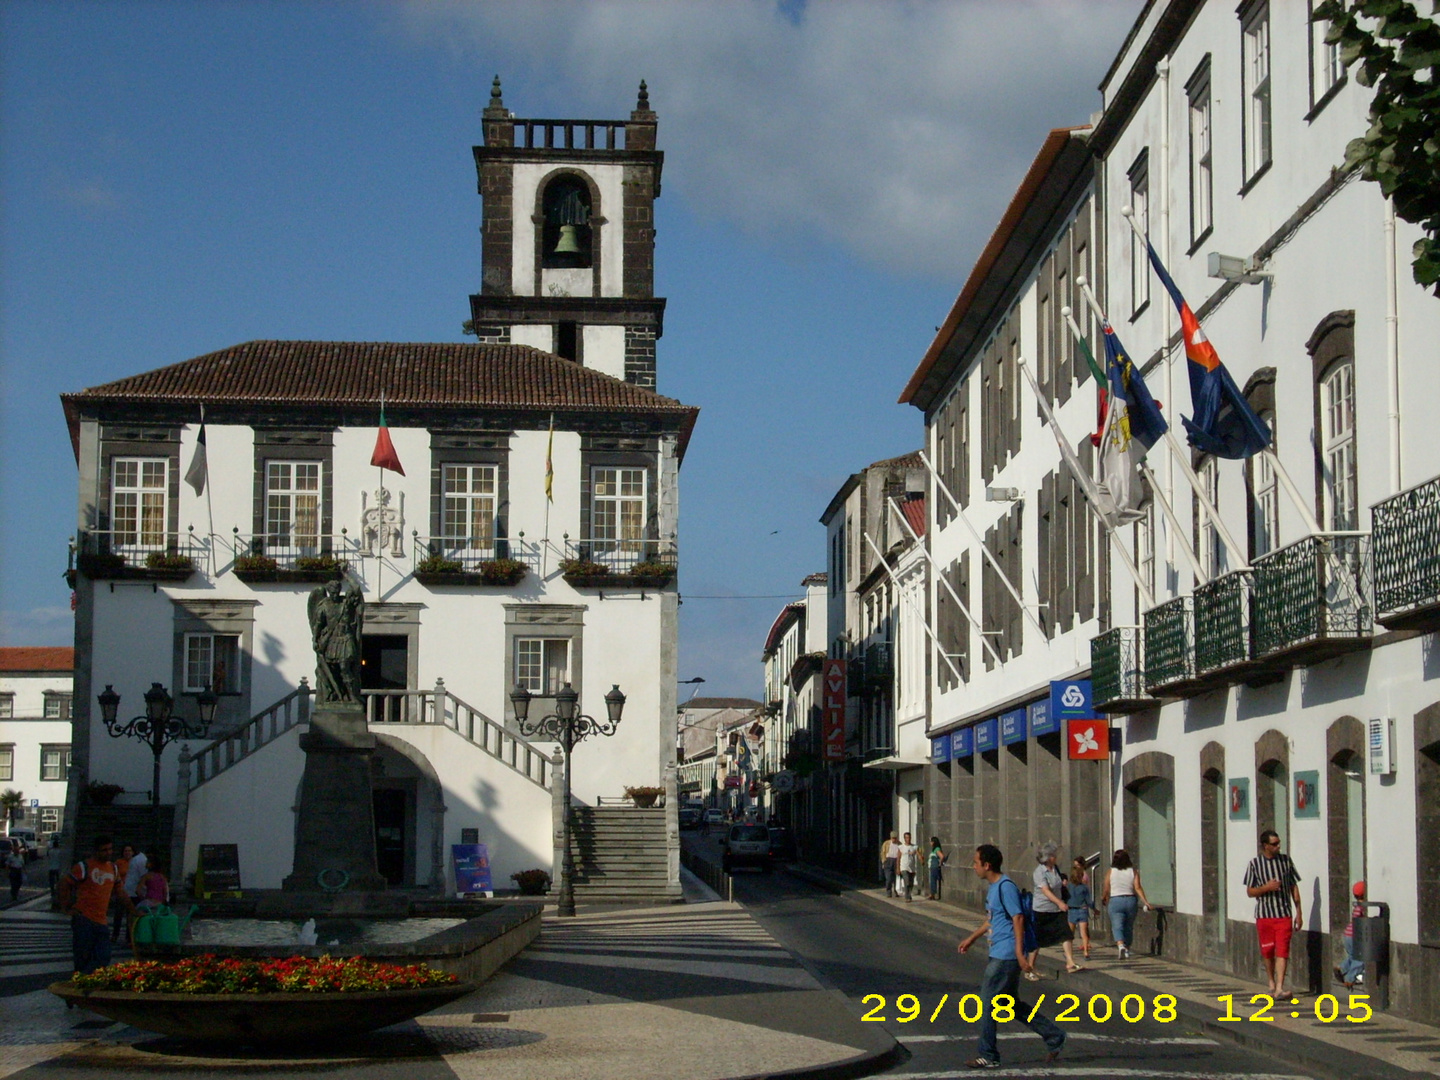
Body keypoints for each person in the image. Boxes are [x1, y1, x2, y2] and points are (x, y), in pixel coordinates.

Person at [958, 844, 1066, 1069]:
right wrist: (972, 938)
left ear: (987, 865)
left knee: (987, 1002)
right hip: (999, 950)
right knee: (1010, 1005)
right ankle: (1053, 1036)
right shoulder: (995, 887)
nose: (974, 866)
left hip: (1006, 954)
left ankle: (988, 1055)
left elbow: (1018, 918)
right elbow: (993, 919)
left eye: (976, 862)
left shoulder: (1006, 887)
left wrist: (1019, 953)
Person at [58, 835, 136, 975]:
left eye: (110, 849)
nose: (108, 853)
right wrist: (66, 907)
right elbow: (65, 883)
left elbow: (120, 892)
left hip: (101, 920)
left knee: (103, 956)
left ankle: (85, 979)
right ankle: (81, 982)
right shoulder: (84, 867)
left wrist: (132, 910)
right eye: (104, 850)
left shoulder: (113, 868)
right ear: (96, 851)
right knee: (82, 957)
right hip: (84, 918)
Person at [1243, 829, 1302, 996]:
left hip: (1284, 914)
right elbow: (1250, 891)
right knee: (1268, 951)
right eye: (1274, 844)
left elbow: (1293, 886)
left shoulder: (1285, 861)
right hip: (1264, 915)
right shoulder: (1254, 864)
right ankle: (1271, 981)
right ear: (1265, 846)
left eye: (1279, 843)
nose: (1278, 846)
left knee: (1282, 950)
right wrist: (1266, 888)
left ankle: (1280, 987)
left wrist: (1299, 912)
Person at [1028, 842, 1076, 978]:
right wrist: (1060, 902)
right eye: (1054, 855)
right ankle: (1030, 967)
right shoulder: (1039, 872)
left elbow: (1058, 883)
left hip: (1056, 910)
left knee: (1066, 934)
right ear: (1048, 857)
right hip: (1042, 910)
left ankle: (1070, 963)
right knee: (1037, 940)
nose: (1056, 857)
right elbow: (1045, 891)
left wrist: (1063, 882)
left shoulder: (1055, 868)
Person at [1101, 849, 1150, 960]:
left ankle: (1120, 945)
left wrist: (1104, 897)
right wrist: (1145, 901)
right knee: (1128, 926)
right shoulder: (1133, 871)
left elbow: (1106, 888)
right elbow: (1137, 887)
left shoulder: (1110, 872)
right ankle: (1127, 949)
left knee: (1117, 925)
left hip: (1116, 900)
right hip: (1130, 900)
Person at [1336, 880, 1366, 988]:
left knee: (1352, 956)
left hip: (1347, 935)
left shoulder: (1356, 906)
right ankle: (1350, 978)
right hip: (1354, 936)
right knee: (1360, 958)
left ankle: (1342, 967)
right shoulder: (1363, 907)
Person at [1066, 858, 1093, 964]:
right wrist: (1094, 909)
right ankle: (1086, 952)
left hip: (1072, 910)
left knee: (1070, 934)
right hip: (1083, 910)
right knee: (1084, 933)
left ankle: (1069, 953)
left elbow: (1065, 897)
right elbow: (1089, 901)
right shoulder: (1084, 887)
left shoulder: (1069, 887)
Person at [110, 844, 136, 943]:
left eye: (129, 851)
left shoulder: (135, 862)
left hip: (131, 892)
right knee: (118, 915)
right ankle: (115, 935)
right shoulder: (119, 863)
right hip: (121, 891)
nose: (127, 853)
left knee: (130, 915)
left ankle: (128, 937)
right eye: (125, 851)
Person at [895, 832, 919, 902]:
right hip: (904, 867)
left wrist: (921, 858)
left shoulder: (914, 847)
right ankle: (907, 897)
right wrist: (898, 868)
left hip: (911, 868)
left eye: (909, 837)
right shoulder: (901, 847)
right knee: (907, 882)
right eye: (906, 838)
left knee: (911, 883)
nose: (908, 839)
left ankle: (909, 895)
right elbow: (898, 858)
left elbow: (918, 854)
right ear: (904, 838)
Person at [880, 831, 899, 897]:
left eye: (895, 838)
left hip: (896, 860)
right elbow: (883, 853)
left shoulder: (899, 844)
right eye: (893, 838)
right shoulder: (886, 843)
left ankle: (896, 891)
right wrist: (883, 861)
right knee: (888, 878)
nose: (894, 839)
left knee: (897, 878)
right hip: (888, 860)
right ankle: (888, 891)